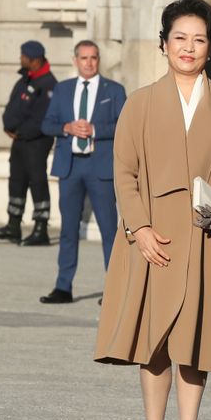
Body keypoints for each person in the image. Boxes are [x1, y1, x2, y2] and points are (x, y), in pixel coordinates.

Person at [94, 0, 211, 420]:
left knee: (194, 346)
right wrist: (139, 228)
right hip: (154, 239)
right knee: (156, 345)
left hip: (207, 238)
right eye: (180, 38)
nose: (189, 47)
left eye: (200, 39)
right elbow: (124, 172)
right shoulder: (139, 102)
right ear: (164, 44)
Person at [38, 41, 126, 304]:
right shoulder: (62, 90)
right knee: (68, 229)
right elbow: (46, 124)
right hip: (71, 167)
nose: (89, 63)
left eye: (94, 58)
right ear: (75, 60)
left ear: (99, 60)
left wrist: (95, 130)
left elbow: (125, 125)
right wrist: (66, 127)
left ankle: (115, 289)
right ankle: (63, 286)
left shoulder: (115, 90)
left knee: (110, 229)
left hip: (100, 168)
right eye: (84, 58)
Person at [0, 41, 57, 246]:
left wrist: (19, 132)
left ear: (34, 59)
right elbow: (12, 107)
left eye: (23, 55)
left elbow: (41, 119)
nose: (20, 58)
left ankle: (40, 228)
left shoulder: (48, 84)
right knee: (16, 180)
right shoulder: (25, 78)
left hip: (36, 143)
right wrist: (8, 126)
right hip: (19, 142)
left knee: (37, 181)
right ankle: (13, 225)